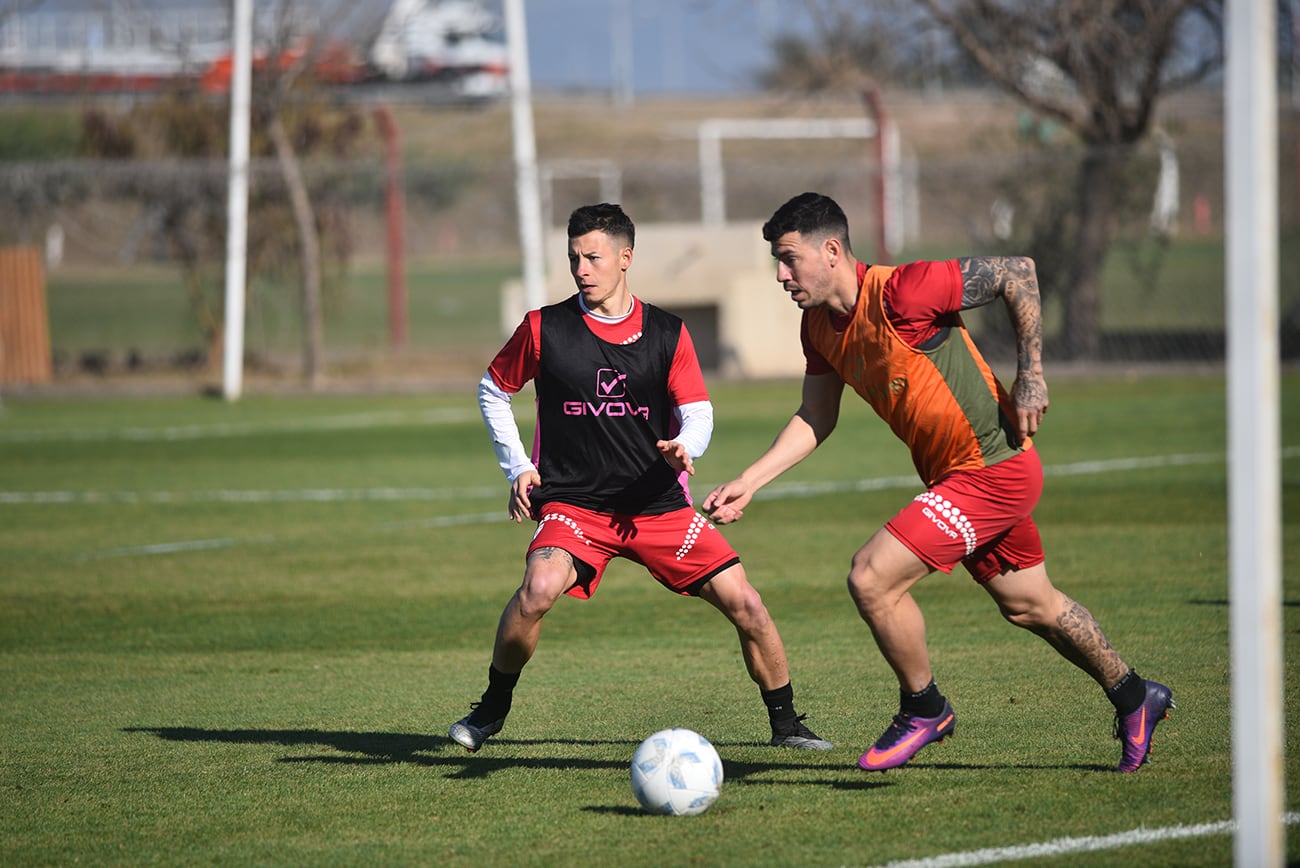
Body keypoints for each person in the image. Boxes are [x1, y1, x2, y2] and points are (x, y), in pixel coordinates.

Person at [702, 192, 1173, 773]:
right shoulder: (817, 327)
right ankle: (1135, 696)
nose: (780, 274)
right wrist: (750, 480)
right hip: (959, 479)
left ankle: (924, 708)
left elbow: (1016, 273)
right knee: (1031, 605)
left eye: (788, 258)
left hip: (993, 471)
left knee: (871, 577)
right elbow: (817, 415)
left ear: (831, 251)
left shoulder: (905, 290)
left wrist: (1031, 375)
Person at [449, 203, 831, 754]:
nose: (581, 269)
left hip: (657, 507)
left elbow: (698, 410)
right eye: (575, 257)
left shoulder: (667, 333)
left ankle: (787, 723)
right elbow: (493, 389)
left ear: (625, 258)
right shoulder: (543, 328)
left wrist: (686, 445)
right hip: (575, 506)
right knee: (537, 590)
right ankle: (491, 709)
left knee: (746, 603)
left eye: (593, 257)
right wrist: (519, 466)